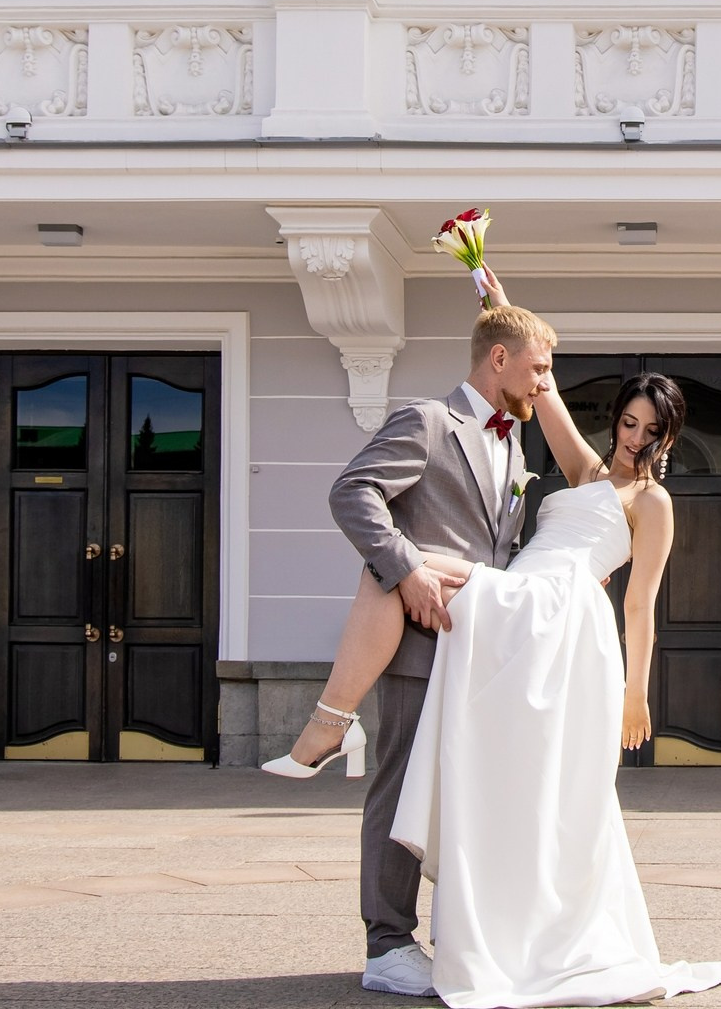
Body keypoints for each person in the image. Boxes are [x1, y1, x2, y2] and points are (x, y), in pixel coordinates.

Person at [282, 271, 721, 1006]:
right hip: (518, 606)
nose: (635, 439)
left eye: (652, 431)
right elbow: (537, 384)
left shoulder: (654, 503)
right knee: (399, 571)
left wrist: (635, 693)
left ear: (668, 437)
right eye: (628, 423)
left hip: (554, 616)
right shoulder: (583, 468)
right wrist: (492, 297)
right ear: (617, 418)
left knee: (399, 564)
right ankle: (334, 728)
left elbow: (642, 605)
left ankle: (329, 724)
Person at [292, 298, 554, 997]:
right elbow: (353, 492)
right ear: (499, 359)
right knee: (401, 786)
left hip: (481, 654)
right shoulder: (428, 421)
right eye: (539, 366)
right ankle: (386, 945)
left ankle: (459, 935)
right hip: (417, 647)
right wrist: (404, 569)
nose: (544, 382)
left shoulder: (513, 442)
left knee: (460, 798)